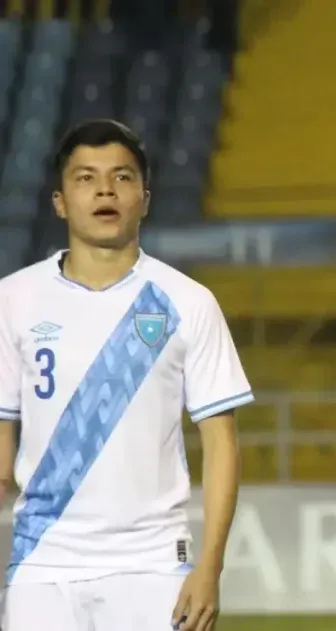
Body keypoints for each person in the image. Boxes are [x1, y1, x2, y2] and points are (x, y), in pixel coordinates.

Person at [0, 119, 252, 631]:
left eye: (121, 177)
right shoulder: (13, 299)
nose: (105, 191)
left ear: (145, 196)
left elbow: (222, 445)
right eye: (86, 178)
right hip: (43, 565)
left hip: (155, 564)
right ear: (59, 201)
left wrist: (210, 567)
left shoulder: (188, 301)